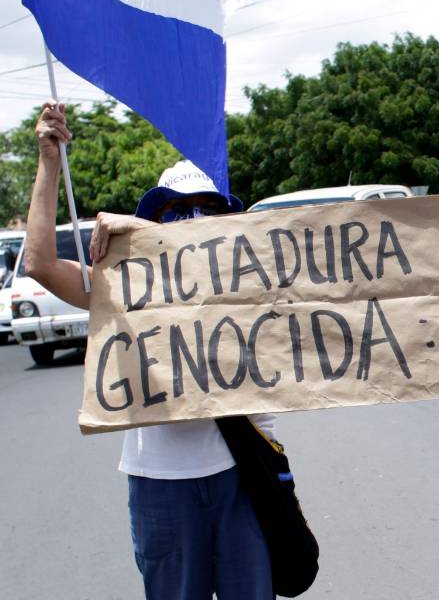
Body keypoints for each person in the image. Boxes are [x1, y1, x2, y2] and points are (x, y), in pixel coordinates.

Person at [26, 102, 273, 599]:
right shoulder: (125, 286)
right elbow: (40, 264)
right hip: (161, 485)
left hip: (244, 475)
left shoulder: (249, 278)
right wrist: (50, 164)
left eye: (206, 209)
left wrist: (149, 231)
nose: (192, 220)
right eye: (175, 211)